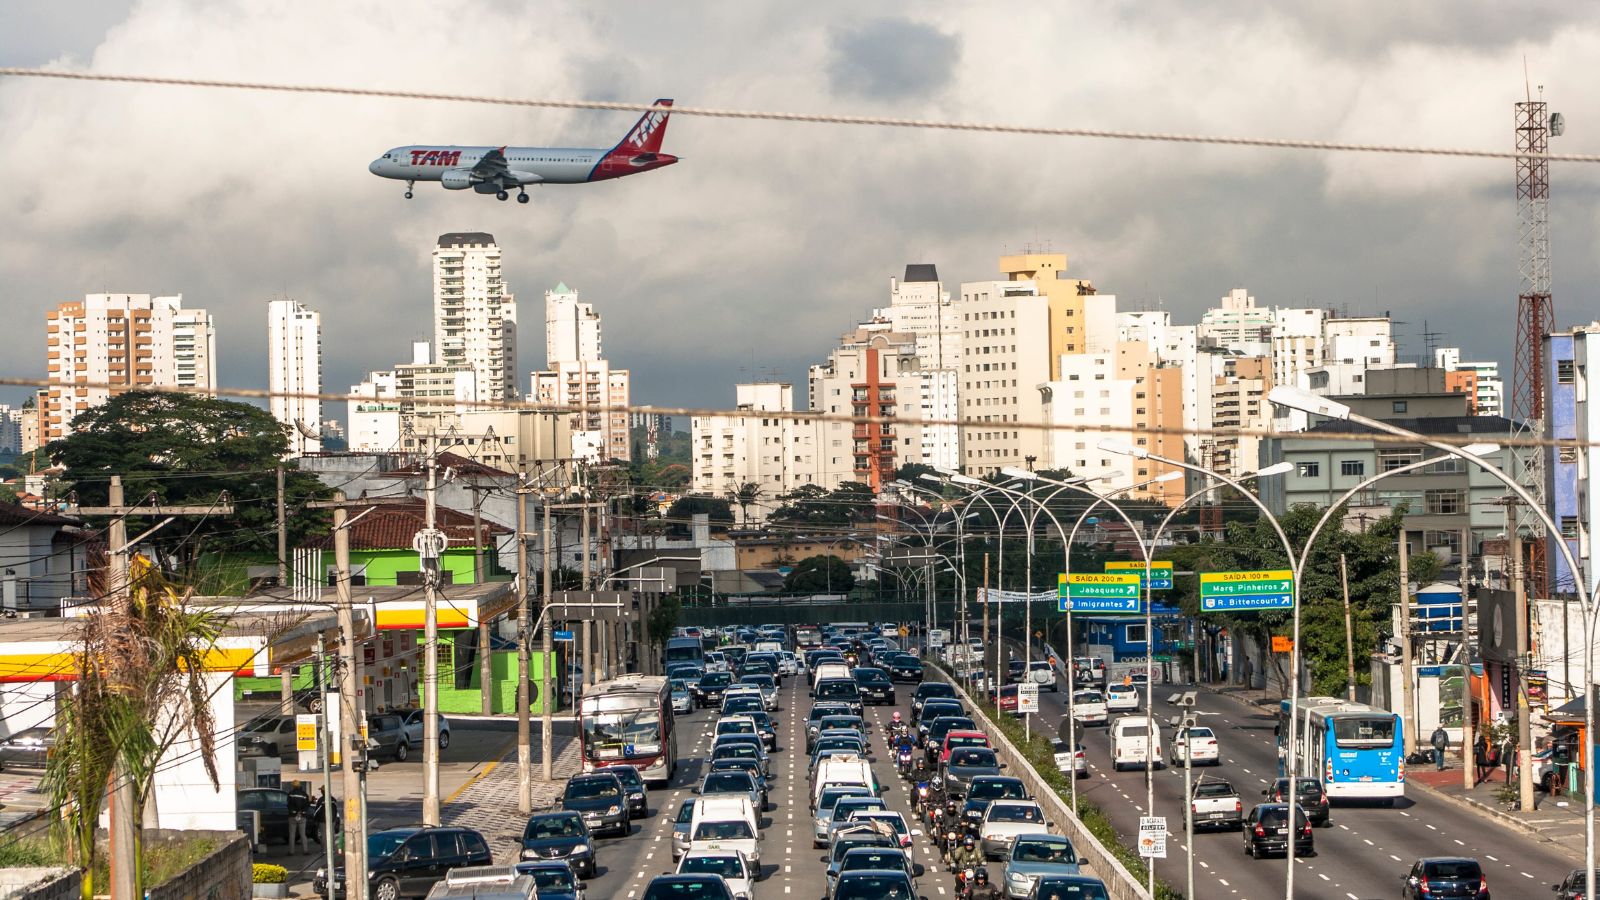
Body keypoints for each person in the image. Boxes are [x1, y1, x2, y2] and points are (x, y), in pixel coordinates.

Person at [286, 784, 311, 854]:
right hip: (302, 816)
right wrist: (302, 812)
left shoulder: (290, 794)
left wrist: (294, 812)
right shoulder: (304, 794)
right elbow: (307, 805)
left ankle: (291, 851)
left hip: (292, 816)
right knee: (303, 834)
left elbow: (288, 804)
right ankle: (305, 850)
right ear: (300, 786)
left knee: (292, 835)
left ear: (293, 786)